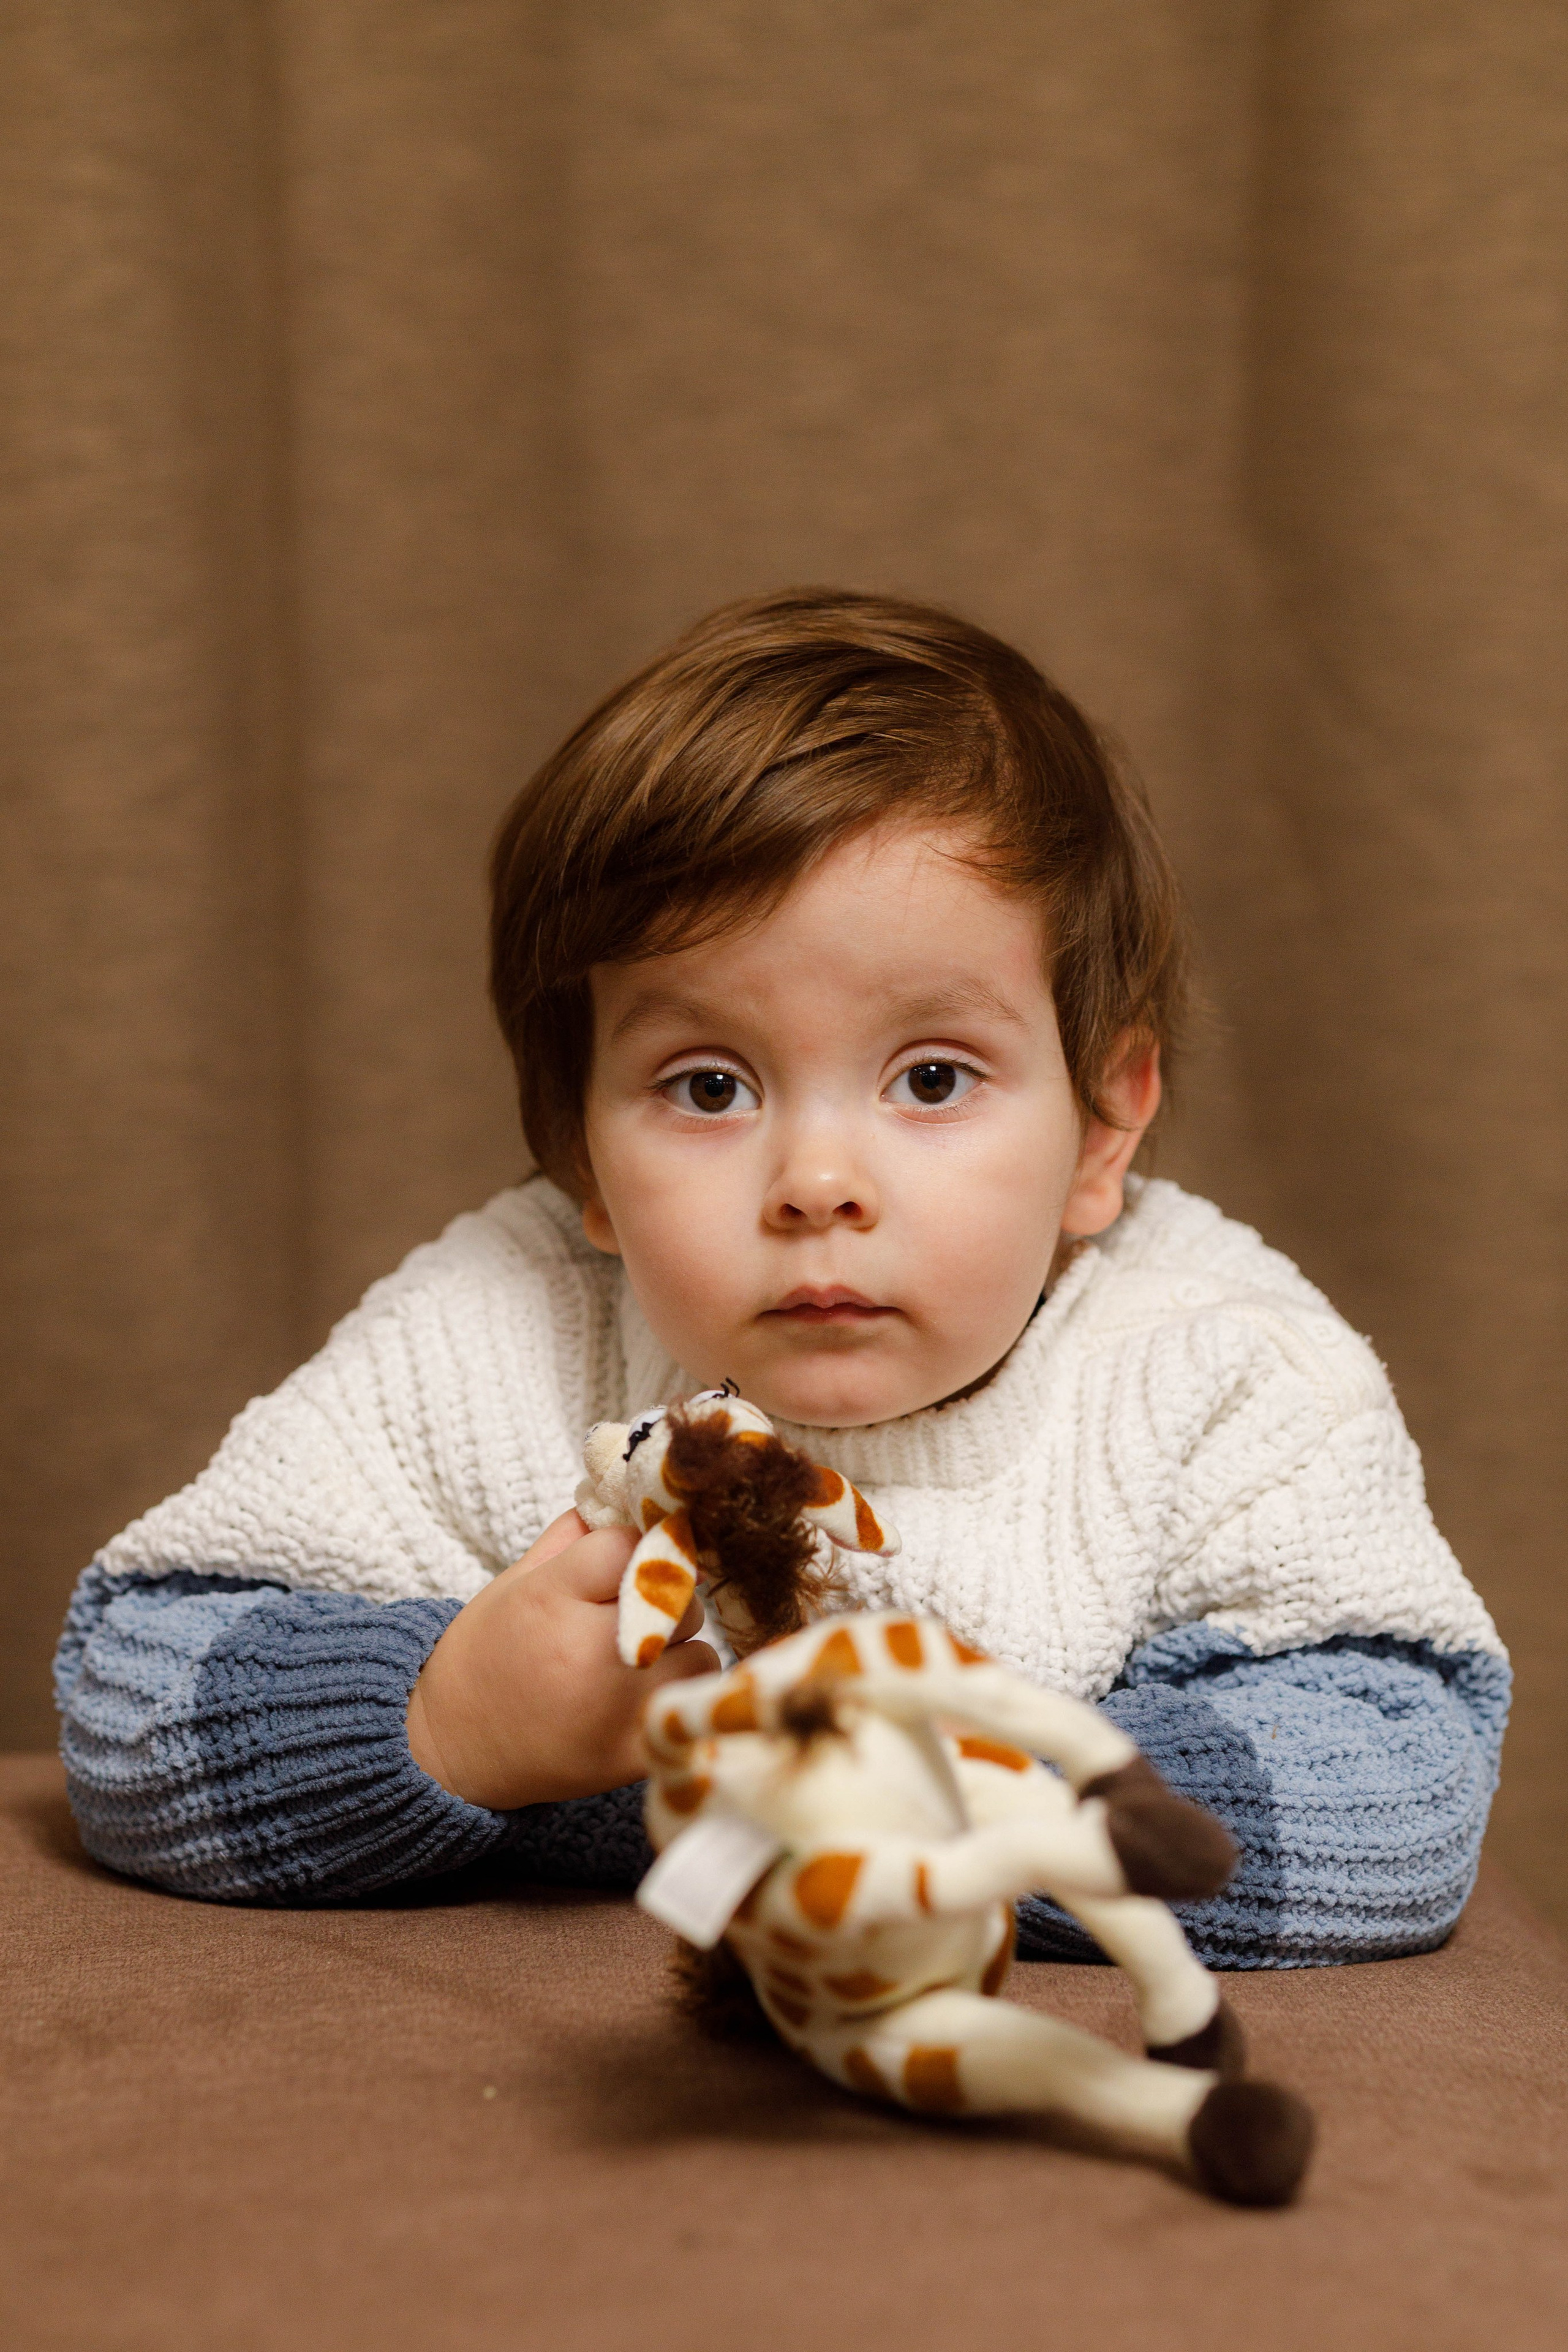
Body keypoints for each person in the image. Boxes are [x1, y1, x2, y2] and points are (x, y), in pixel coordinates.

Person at [54, 589, 1508, 1965]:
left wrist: (952, 1817)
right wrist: (442, 1723)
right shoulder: (500, 1332)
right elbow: (133, 1694)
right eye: (706, 1087)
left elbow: (1397, 1778)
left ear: (1101, 1124)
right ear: (579, 1157)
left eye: (931, 1077)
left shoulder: (1214, 1367)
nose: (817, 1181)